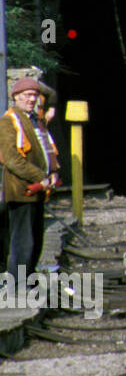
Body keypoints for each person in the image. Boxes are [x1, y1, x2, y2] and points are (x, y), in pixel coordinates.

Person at [0, 77, 60, 277]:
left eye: (34, 95)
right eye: (27, 95)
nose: (31, 99)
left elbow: (47, 148)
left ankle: (29, 277)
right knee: (23, 241)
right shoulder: (9, 121)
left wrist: (53, 171)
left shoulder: (36, 120)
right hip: (21, 189)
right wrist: (40, 175)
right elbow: (12, 159)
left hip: (39, 189)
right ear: (16, 97)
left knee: (36, 238)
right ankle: (18, 282)